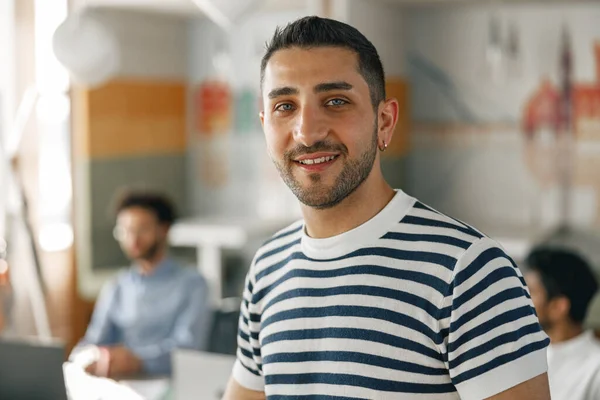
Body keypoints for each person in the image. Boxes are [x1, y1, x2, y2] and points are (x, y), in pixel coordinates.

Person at [223, 16, 551, 400]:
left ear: (385, 122)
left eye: (336, 101)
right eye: (284, 106)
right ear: (265, 125)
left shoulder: (469, 272)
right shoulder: (267, 268)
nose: (308, 132)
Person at [72, 190, 211, 377]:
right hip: (120, 385)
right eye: (126, 231)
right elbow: (94, 341)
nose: (133, 239)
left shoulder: (192, 284)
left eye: (142, 229)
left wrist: (137, 361)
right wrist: (84, 357)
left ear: (164, 230)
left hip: (170, 383)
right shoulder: (117, 286)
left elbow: (188, 348)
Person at [524, 246, 600, 400]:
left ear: (558, 307)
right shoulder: (524, 357)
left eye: (530, 292)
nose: (520, 299)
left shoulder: (595, 368)